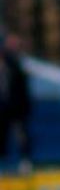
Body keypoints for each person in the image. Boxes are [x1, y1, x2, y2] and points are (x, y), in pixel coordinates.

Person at [0, 34, 32, 162]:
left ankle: (25, 160)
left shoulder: (17, 66)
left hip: (17, 108)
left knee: (21, 134)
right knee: (3, 135)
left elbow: (23, 90)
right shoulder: (8, 65)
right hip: (3, 108)